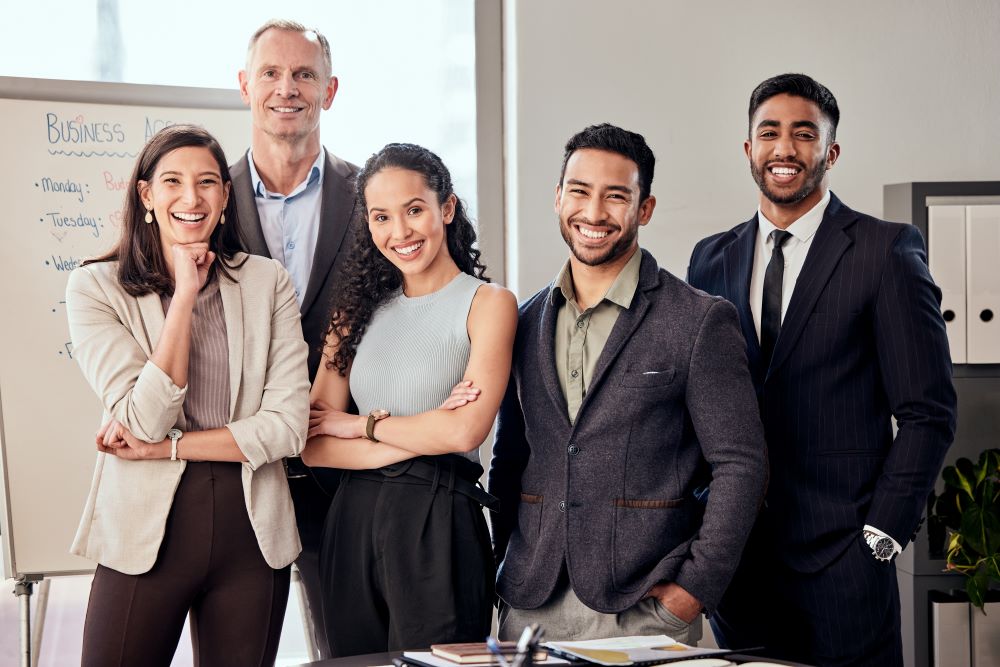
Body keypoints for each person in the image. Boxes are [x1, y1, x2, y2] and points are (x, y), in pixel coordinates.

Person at [687, 73, 957, 665]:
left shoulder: (886, 251)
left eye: (804, 134)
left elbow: (928, 411)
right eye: (769, 133)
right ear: (749, 150)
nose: (785, 149)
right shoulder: (710, 258)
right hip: (740, 560)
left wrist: (881, 535)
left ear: (830, 152)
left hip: (845, 558)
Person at [488, 123, 768, 644]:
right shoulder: (522, 321)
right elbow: (510, 460)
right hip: (530, 604)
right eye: (579, 191)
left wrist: (696, 587)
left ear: (645, 208)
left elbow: (741, 463)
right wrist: (504, 568)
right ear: (557, 198)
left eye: (616, 196)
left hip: (643, 605)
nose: (594, 213)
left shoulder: (699, 321)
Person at [66, 124, 309, 667]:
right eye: (172, 181)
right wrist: (185, 296)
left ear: (225, 196)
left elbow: (288, 426)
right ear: (146, 195)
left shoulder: (268, 282)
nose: (191, 198)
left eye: (207, 183)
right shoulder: (95, 287)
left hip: (253, 537)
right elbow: (145, 418)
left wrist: (167, 449)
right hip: (143, 536)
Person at [302, 143, 517, 656]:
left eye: (414, 210)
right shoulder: (352, 313)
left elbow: (464, 432)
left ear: (446, 208)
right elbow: (311, 441)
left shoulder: (488, 304)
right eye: (381, 217)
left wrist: (359, 427)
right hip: (351, 521)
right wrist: (423, 431)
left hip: (440, 520)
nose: (400, 233)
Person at [231, 19, 359, 656]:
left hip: (343, 469)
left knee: (347, 650)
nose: (288, 88)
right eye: (272, 73)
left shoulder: (372, 197)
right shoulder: (205, 198)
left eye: (304, 74)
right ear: (244, 86)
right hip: (238, 469)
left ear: (329, 90)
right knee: (238, 651)